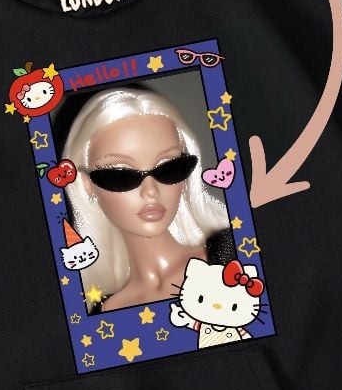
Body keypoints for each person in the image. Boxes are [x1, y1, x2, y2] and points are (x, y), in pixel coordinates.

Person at [60, 86, 234, 312]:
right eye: (120, 175)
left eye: (169, 167)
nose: (150, 191)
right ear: (87, 185)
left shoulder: (232, 256)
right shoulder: (104, 314)